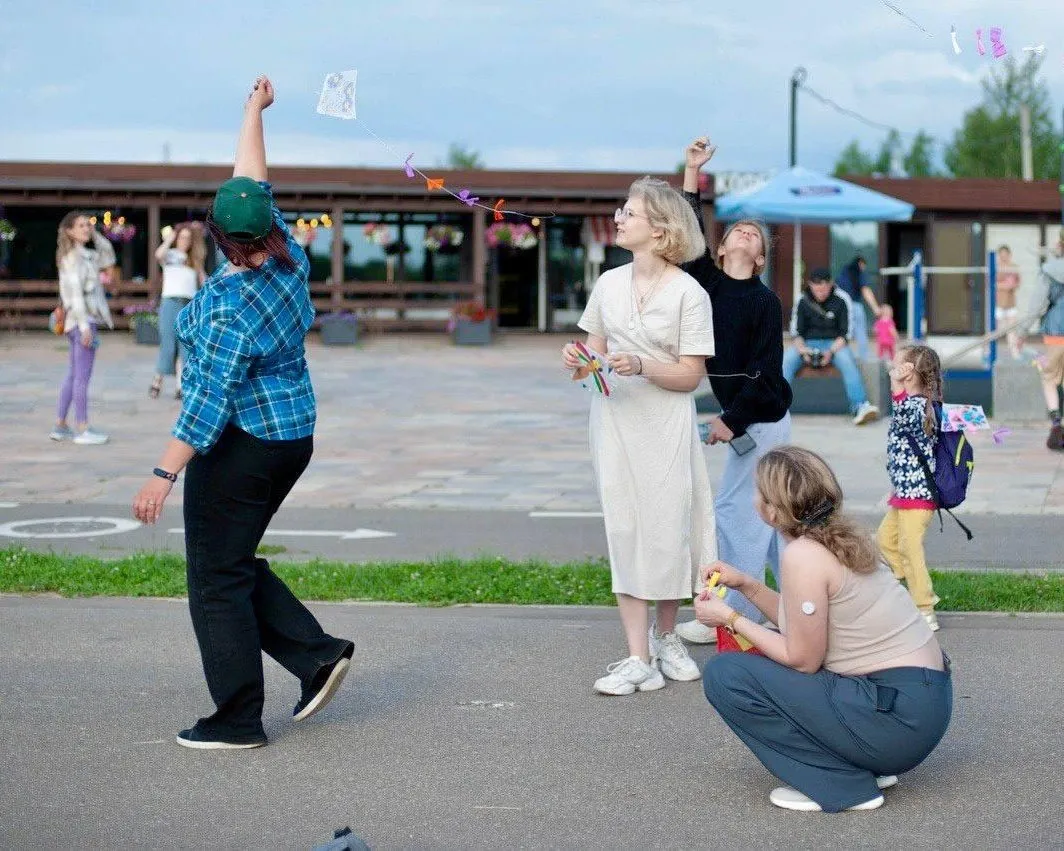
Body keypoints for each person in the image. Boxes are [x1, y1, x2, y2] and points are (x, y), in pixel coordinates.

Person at [132, 76, 353, 750]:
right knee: (229, 559)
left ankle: (236, 718)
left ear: (220, 240)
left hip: (245, 442)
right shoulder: (284, 251)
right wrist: (252, 111)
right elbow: (251, 176)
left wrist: (162, 474)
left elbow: (205, 405)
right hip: (292, 434)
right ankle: (315, 654)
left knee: (214, 574)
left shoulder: (228, 304)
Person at [696, 446, 952, 813]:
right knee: (774, 660)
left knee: (727, 674)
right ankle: (861, 764)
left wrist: (730, 619)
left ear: (772, 508)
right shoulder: (840, 537)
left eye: (757, 491)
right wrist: (747, 586)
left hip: (897, 721)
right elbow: (801, 627)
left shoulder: (803, 555)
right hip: (915, 708)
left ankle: (844, 785)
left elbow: (801, 658)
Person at [562, 176, 716, 696]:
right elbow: (592, 358)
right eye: (621, 210)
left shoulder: (689, 293)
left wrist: (644, 365)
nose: (620, 217)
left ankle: (667, 636)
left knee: (668, 527)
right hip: (614, 420)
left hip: (666, 422)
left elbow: (691, 376)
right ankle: (636, 656)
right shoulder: (607, 283)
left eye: (629, 211)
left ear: (661, 227)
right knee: (626, 529)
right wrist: (578, 360)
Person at [673, 137, 794, 647]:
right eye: (737, 231)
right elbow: (686, 225)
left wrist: (730, 421)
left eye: (754, 236)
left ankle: (731, 614)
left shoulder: (765, 302)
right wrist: (691, 170)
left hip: (764, 418)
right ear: (720, 249)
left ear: (760, 258)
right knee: (769, 515)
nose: (744, 234)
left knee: (736, 512)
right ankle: (797, 607)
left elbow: (766, 374)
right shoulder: (708, 285)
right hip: (749, 422)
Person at [877, 344, 943, 631]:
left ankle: (924, 607)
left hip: (918, 497)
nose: (893, 367)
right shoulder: (914, 404)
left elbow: (903, 412)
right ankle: (899, 586)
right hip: (904, 494)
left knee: (909, 547)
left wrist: (895, 382)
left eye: (898, 365)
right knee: (885, 540)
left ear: (910, 373)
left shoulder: (918, 407)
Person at [50, 212, 117, 445]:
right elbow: (76, 296)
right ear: (69, 231)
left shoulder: (87, 255)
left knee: (73, 374)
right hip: (82, 321)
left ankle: (60, 425)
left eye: (87, 225)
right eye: (81, 226)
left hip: (79, 321)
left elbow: (109, 255)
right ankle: (82, 427)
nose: (86, 229)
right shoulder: (72, 259)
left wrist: (96, 233)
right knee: (82, 378)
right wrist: (84, 327)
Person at [784, 269, 879, 426]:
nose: (820, 293)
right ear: (810, 285)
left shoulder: (842, 299)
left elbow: (846, 334)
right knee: (786, 360)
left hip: (834, 344)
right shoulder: (802, 300)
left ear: (831, 285)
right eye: (817, 289)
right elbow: (796, 333)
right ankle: (774, 407)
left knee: (848, 361)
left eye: (824, 289)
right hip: (807, 343)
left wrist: (830, 352)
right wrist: (802, 350)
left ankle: (860, 406)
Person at [150, 223, 206, 399]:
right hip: (170, 302)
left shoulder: (193, 260)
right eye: (182, 237)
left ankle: (180, 386)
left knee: (185, 345)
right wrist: (172, 237)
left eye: (188, 238)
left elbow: (204, 281)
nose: (185, 241)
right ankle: (157, 380)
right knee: (167, 342)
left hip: (188, 304)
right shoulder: (170, 255)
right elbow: (158, 254)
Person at [1036, 230, 1064, 452]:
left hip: (1055, 331)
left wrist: (1020, 332)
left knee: (1049, 377)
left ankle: (1056, 423)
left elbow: (1036, 304)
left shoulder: (1050, 269)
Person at [835, 255, 880, 361]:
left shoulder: (843, 273)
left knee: (842, 333)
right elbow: (865, 291)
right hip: (855, 306)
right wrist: (875, 308)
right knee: (860, 333)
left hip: (842, 307)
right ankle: (863, 358)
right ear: (860, 264)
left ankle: (845, 358)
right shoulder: (859, 273)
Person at [995, 244, 1024, 360]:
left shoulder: (1014, 267)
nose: (1003, 258)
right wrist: (1003, 285)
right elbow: (991, 284)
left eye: (1005, 256)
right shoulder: (996, 267)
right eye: (1001, 256)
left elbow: (1017, 283)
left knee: (1012, 330)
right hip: (998, 304)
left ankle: (1014, 352)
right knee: (995, 330)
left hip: (1011, 303)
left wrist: (1011, 285)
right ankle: (988, 351)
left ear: (1009, 255)